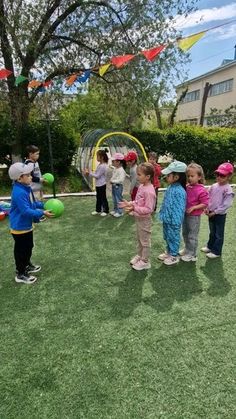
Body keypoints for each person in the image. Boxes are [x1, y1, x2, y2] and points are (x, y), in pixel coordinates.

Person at [8, 162, 53, 284]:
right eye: (27, 175)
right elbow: (26, 211)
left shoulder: (25, 188)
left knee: (29, 247)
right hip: (19, 227)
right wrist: (42, 212)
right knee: (21, 250)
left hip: (26, 226)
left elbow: (32, 203)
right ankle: (20, 273)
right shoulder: (19, 192)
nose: (31, 177)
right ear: (19, 178)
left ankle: (26, 265)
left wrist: (44, 205)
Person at [119, 162, 156, 270]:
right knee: (139, 239)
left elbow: (149, 209)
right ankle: (140, 256)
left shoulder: (149, 191)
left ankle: (145, 261)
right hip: (139, 218)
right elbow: (138, 201)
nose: (137, 176)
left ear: (148, 177)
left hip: (145, 220)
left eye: (139, 174)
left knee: (145, 241)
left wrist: (134, 208)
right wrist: (130, 204)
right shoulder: (141, 186)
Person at [201, 162, 234, 259]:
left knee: (219, 234)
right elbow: (208, 197)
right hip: (211, 212)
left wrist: (215, 212)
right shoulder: (214, 186)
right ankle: (210, 246)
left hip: (219, 215)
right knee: (212, 231)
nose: (219, 177)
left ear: (229, 176)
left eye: (222, 175)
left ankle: (216, 251)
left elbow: (226, 204)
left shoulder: (228, 190)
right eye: (217, 174)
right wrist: (206, 208)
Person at [158, 160, 187, 266]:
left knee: (173, 237)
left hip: (174, 220)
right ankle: (169, 251)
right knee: (167, 236)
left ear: (176, 177)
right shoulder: (171, 187)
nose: (166, 177)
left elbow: (179, 208)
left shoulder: (180, 191)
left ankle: (174, 255)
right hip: (167, 218)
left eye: (168, 175)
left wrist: (176, 221)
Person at [180, 163, 209, 262]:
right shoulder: (187, 187)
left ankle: (192, 254)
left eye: (192, 176)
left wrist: (194, 207)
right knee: (185, 233)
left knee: (192, 235)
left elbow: (205, 203)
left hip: (194, 217)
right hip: (185, 215)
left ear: (199, 176)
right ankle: (187, 249)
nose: (190, 178)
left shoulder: (201, 190)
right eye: (188, 176)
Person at [84, 149, 109, 216]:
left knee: (103, 198)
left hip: (101, 185)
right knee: (98, 197)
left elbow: (97, 176)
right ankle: (98, 210)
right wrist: (89, 172)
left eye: (98, 156)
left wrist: (89, 173)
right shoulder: (100, 165)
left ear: (102, 157)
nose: (97, 158)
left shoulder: (103, 166)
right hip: (99, 185)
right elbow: (96, 174)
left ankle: (106, 210)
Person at [110, 152, 126, 218]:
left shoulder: (121, 170)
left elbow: (121, 180)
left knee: (118, 199)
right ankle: (115, 210)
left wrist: (112, 181)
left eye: (114, 161)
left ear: (118, 162)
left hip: (118, 186)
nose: (112, 162)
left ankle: (120, 212)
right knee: (114, 198)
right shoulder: (116, 168)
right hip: (114, 186)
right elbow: (114, 175)